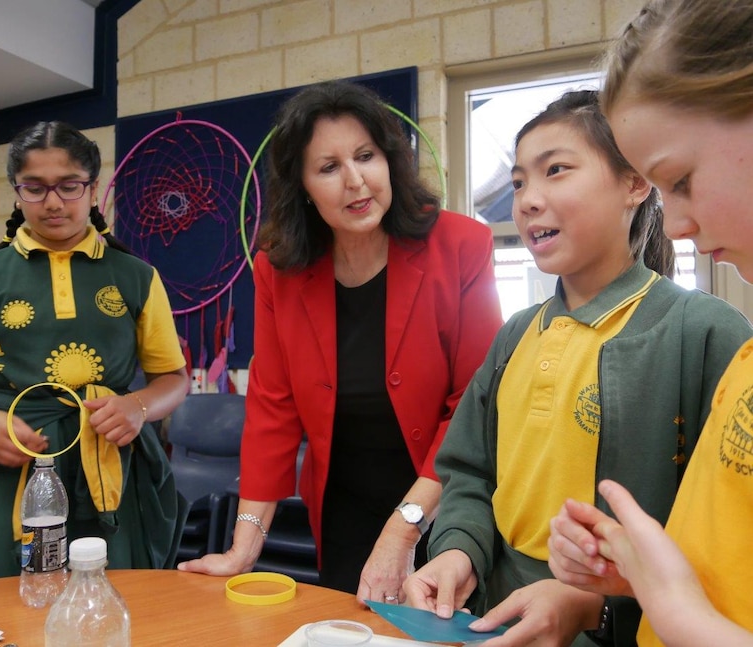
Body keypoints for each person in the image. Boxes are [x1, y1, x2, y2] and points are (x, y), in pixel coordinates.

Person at [402, 89, 753, 646]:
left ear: (636, 183)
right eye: (518, 182)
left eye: (556, 170)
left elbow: (722, 541)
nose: (527, 200)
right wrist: (458, 552)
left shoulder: (705, 333)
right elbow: (469, 472)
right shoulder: (515, 335)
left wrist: (598, 605)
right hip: (492, 622)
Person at [178, 80, 504, 602]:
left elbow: (475, 405)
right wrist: (244, 548)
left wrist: (404, 529)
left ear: (390, 161)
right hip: (343, 508)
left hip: (447, 503)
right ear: (303, 186)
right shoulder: (278, 271)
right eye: (329, 168)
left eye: (365, 156)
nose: (355, 181)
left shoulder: (461, 245)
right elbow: (272, 409)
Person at [0, 121, 189, 589]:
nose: (53, 202)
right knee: (10, 601)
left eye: (69, 186)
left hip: (110, 468)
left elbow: (173, 379)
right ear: (16, 193)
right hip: (10, 468)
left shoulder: (138, 277)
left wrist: (136, 407)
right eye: (34, 188)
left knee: (115, 596)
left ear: (93, 188)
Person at [548, 1, 753, 645]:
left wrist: (674, 609)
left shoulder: (705, 327)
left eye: (683, 179)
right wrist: (639, 575)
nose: (681, 224)